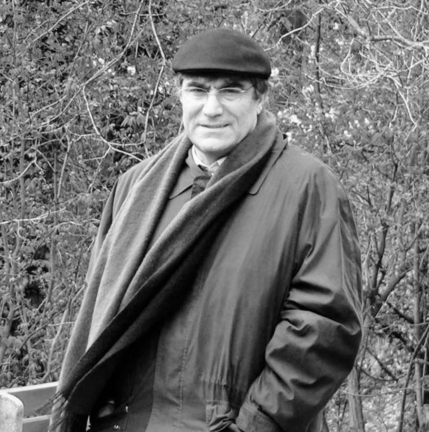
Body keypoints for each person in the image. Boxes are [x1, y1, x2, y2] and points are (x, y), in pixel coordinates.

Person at [51, 28, 363, 432]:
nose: (212, 108)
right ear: (180, 96)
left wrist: (254, 425)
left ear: (259, 98)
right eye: (198, 90)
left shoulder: (307, 188)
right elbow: (102, 318)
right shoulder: (136, 188)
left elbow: (324, 327)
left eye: (230, 91)